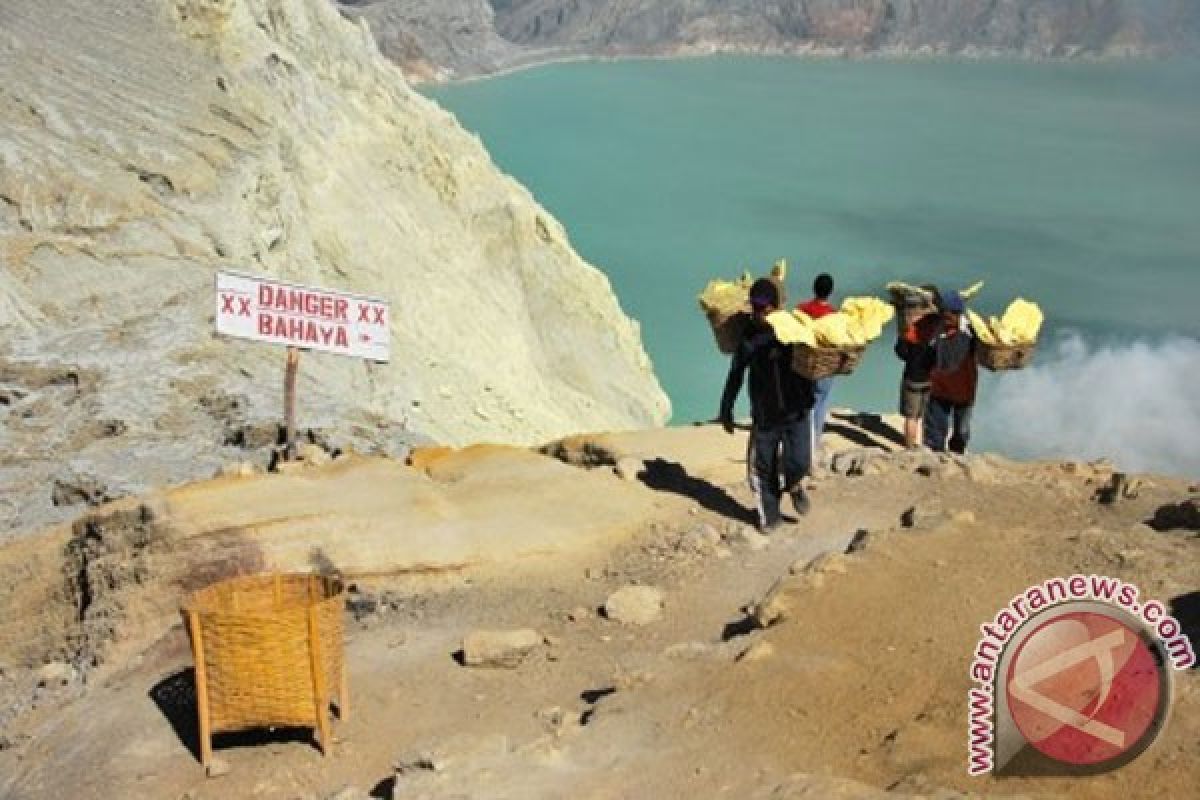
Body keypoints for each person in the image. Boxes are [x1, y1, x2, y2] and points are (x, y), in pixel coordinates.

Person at [719, 278, 815, 531]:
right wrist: (726, 407)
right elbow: (736, 373)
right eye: (755, 307)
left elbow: (813, 358)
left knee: (801, 461)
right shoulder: (749, 339)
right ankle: (770, 518)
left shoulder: (794, 331)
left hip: (797, 409)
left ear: (775, 307)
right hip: (765, 414)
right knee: (763, 468)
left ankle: (794, 483)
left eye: (764, 307)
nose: (759, 312)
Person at [924, 290, 978, 454]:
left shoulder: (972, 332)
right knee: (936, 428)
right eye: (943, 314)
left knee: (961, 430)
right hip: (940, 387)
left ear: (958, 314)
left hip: (964, 388)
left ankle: (957, 452)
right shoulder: (936, 330)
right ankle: (937, 453)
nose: (946, 319)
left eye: (949, 315)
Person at [796, 273, 837, 443]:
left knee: (803, 402)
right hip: (825, 365)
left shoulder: (801, 310)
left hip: (804, 363)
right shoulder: (834, 315)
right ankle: (814, 439)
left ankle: (801, 437)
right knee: (821, 401)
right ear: (830, 291)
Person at [894, 305, 939, 449]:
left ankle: (910, 446)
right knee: (926, 415)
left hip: (912, 377)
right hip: (930, 379)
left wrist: (902, 336)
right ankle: (926, 444)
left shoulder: (912, 331)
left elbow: (901, 352)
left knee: (911, 417)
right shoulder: (936, 332)